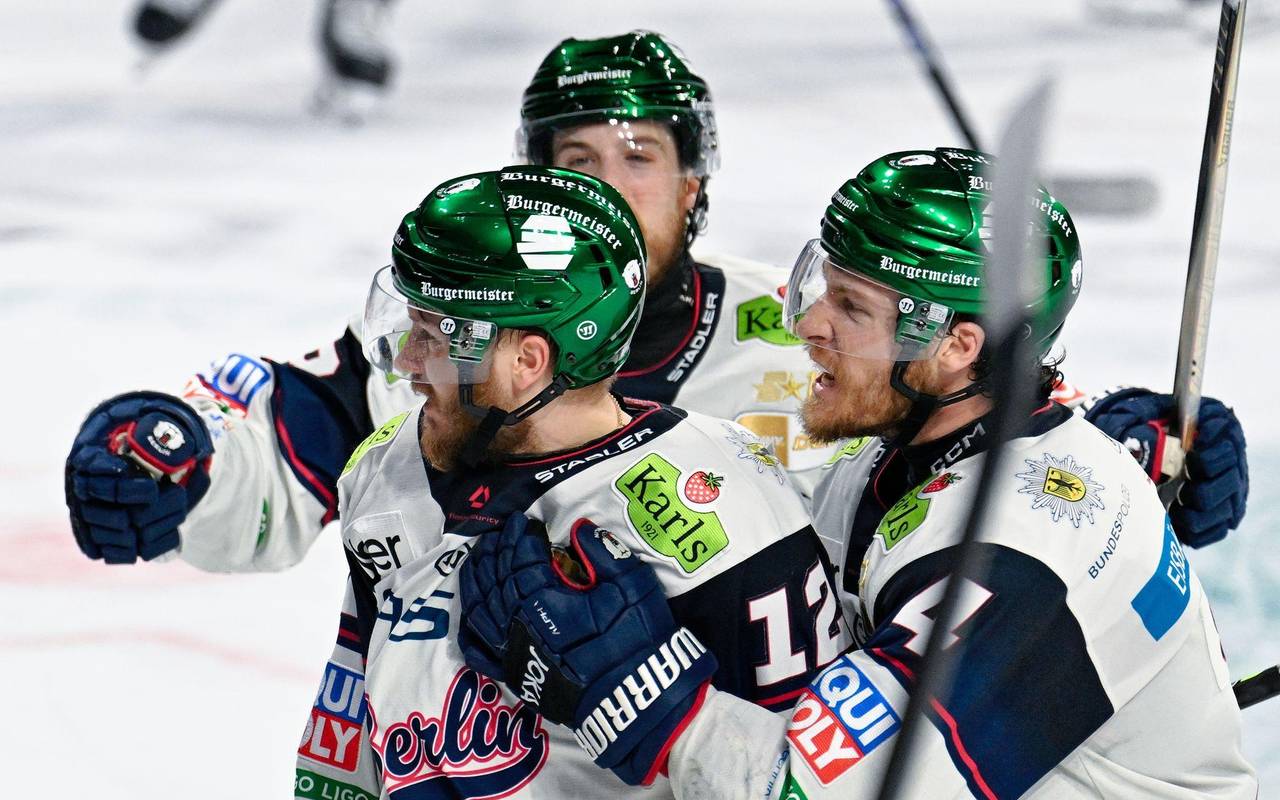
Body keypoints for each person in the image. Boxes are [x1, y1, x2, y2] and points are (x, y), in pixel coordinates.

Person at [63, 30, 1246, 579]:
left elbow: (971, 440)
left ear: (695, 183)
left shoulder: (800, 344)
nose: (605, 186)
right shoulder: (452, 341)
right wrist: (184, 464)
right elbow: (276, 451)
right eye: (571, 159)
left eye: (636, 156)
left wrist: (1135, 449)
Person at [457, 149, 1258, 799]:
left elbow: (815, 792)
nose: (806, 325)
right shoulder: (899, 463)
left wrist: (639, 697)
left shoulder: (1022, 555)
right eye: (819, 284)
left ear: (957, 347)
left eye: (849, 306)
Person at [301, 165, 846, 797]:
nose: (405, 363)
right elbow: (352, 721)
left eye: (432, 335)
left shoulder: (728, 506)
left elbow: (805, 780)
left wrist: (654, 705)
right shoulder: (386, 466)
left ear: (528, 360)